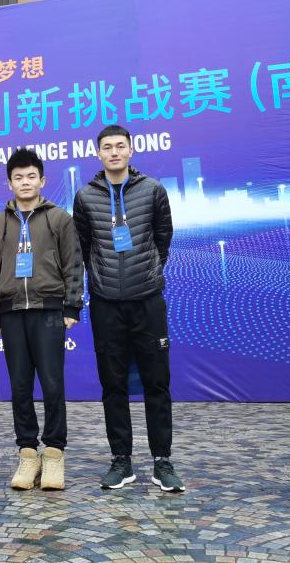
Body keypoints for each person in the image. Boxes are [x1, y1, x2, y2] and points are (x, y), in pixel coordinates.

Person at [73, 125, 184, 492]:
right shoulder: (85, 196)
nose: (114, 152)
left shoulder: (153, 190)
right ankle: (121, 460)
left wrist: (148, 272)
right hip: (106, 304)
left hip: (147, 300)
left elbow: (163, 237)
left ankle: (162, 461)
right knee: (113, 384)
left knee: (157, 383)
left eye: (120, 146)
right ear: (98, 154)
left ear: (131, 150)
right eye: (107, 147)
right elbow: (83, 247)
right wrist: (101, 279)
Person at [0, 148, 83, 491]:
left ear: (42, 180)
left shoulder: (59, 219)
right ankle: (27, 453)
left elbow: (74, 264)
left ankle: (54, 453)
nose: (25, 182)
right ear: (9, 183)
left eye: (31, 176)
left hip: (49, 311)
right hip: (11, 314)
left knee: (53, 384)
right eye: (18, 177)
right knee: (20, 385)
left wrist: (71, 306)